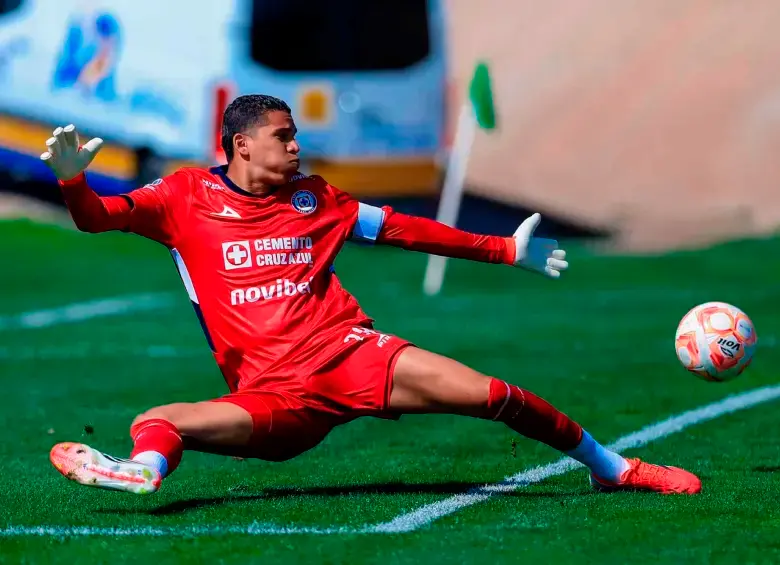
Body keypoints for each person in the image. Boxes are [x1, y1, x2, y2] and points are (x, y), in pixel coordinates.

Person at [43, 95, 701, 496]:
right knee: (157, 420)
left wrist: (502, 249)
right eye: (284, 135)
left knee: (492, 393)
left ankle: (613, 467)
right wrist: (74, 182)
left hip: (352, 353)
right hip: (274, 396)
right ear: (242, 145)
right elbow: (97, 217)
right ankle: (143, 471)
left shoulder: (316, 197)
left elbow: (401, 228)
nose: (298, 144)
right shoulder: (182, 197)